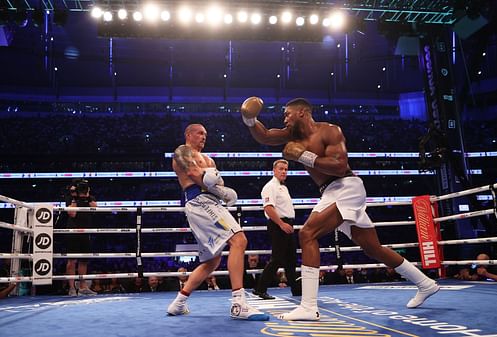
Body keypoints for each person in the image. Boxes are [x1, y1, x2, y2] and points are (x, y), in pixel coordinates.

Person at [241, 97, 439, 320]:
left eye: (288, 114)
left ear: (302, 113)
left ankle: (308, 306)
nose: (284, 118)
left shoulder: (329, 131)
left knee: (307, 234)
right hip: (330, 192)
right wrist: (249, 119)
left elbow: (340, 166)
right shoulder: (292, 135)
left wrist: (303, 155)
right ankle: (426, 283)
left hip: (346, 186)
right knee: (373, 248)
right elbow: (265, 136)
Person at [166, 123, 269, 321]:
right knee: (239, 240)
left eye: (206, 134)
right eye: (200, 133)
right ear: (188, 134)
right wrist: (216, 187)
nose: (204, 137)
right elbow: (195, 175)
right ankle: (239, 304)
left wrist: (221, 190)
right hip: (199, 201)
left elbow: (217, 183)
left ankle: (178, 303)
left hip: (210, 202)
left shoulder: (209, 159)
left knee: (211, 261)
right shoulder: (182, 151)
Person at [253, 159, 300, 300]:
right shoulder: (270, 186)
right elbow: (268, 207)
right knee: (277, 259)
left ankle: (296, 289)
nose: (284, 171)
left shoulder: (283, 187)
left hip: (287, 224)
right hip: (278, 225)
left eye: (286, 169)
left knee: (291, 259)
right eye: (281, 169)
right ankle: (260, 289)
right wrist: (281, 224)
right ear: (274, 170)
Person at [66, 179, 97, 296]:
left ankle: (83, 287)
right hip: (73, 231)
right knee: (72, 260)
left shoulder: (90, 197)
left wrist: (87, 197)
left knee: (83, 260)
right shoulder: (70, 197)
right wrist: (75, 198)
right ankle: (72, 288)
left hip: (86, 231)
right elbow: (72, 213)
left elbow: (95, 208)